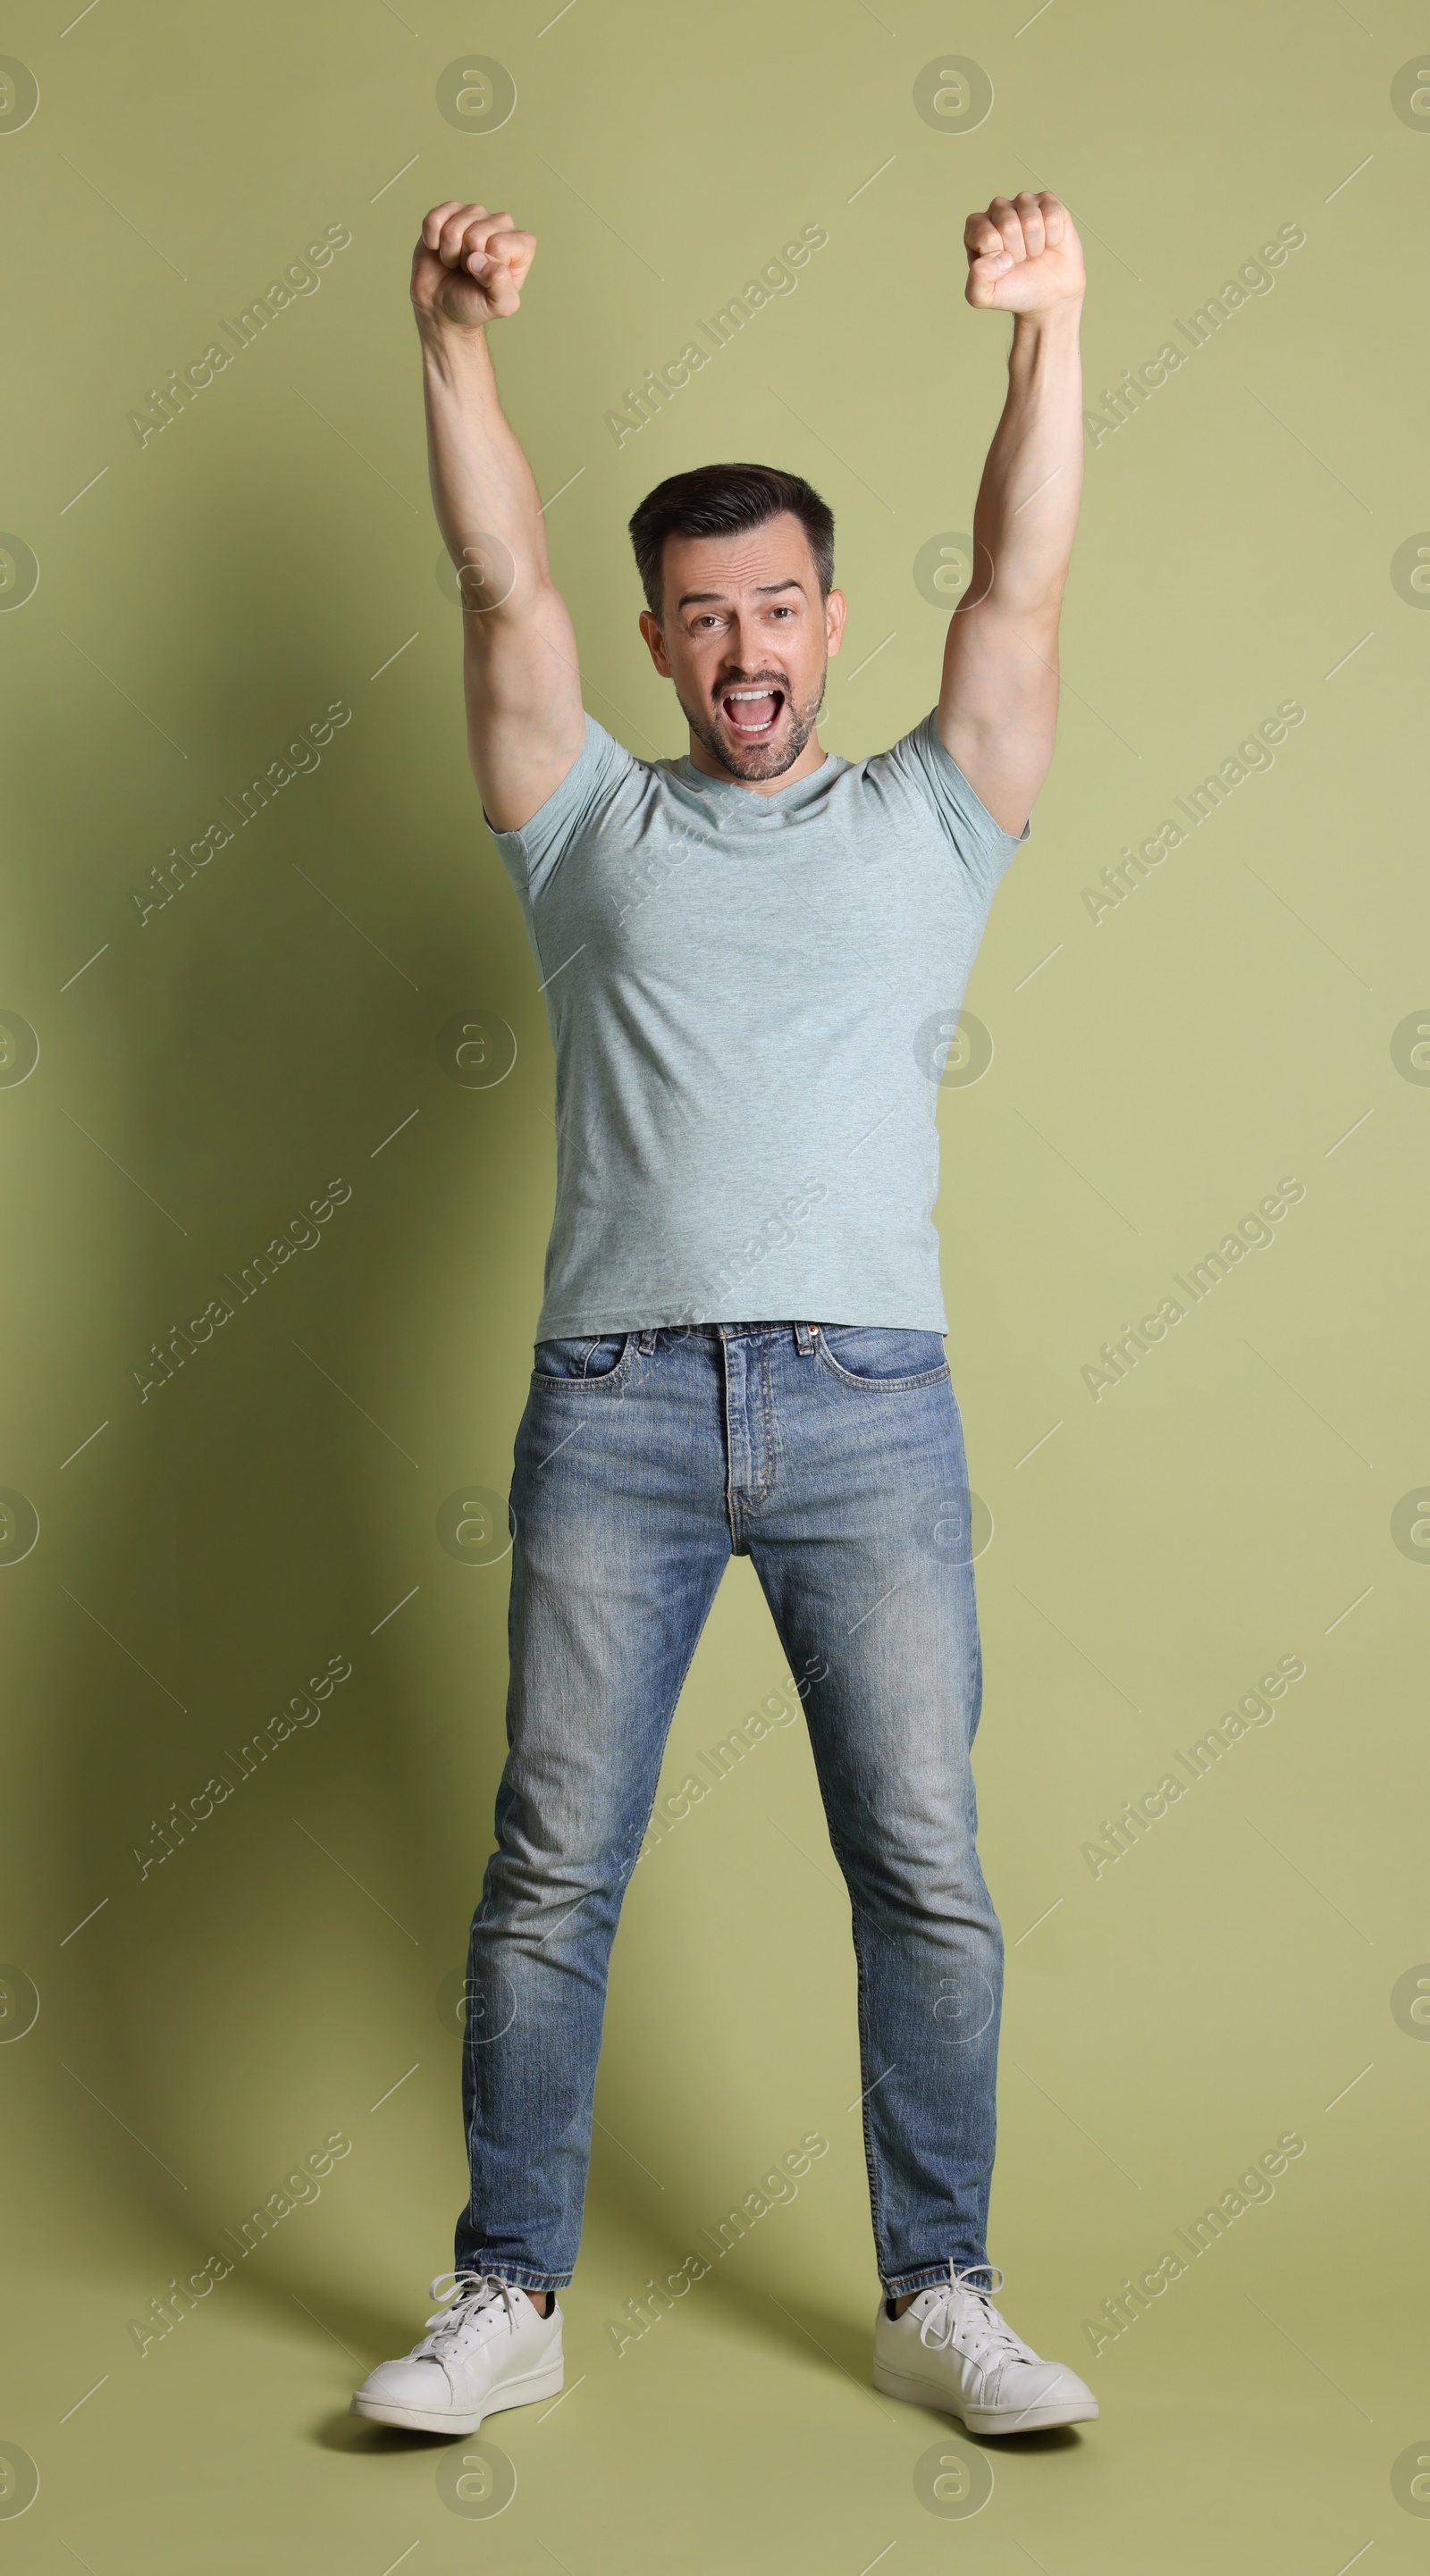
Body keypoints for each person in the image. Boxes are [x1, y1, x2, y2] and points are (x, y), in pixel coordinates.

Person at [351, 189, 1096, 2444]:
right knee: (551, 1862)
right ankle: (508, 2288)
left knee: (923, 1865)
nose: (747, 646)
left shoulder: (932, 814)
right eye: (703, 619)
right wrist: (451, 347)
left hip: (872, 1404)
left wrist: (1048, 329)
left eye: (778, 605)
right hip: (617, 1408)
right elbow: (500, 584)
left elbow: (1024, 583)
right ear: (664, 651)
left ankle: (937, 2287)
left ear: (828, 620)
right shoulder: (585, 829)